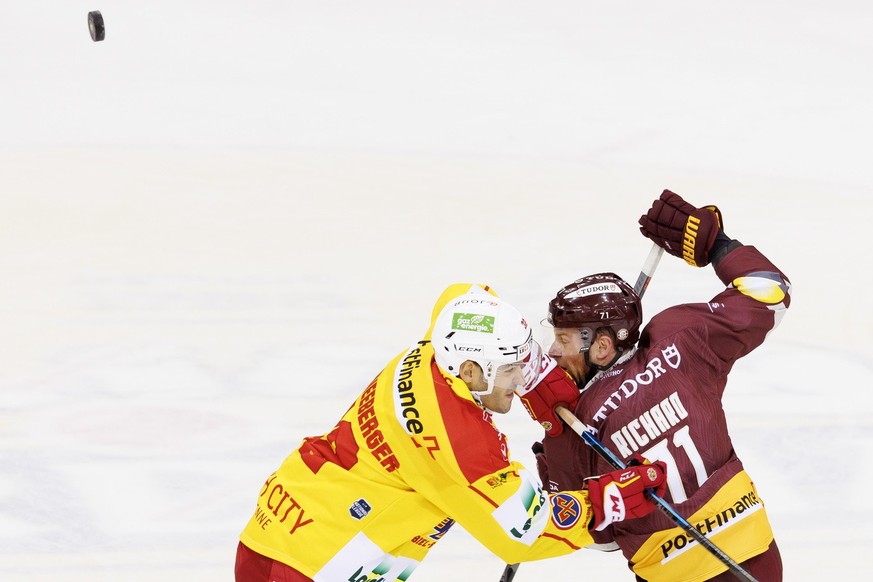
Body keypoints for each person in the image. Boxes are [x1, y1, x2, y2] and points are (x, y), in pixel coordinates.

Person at [235, 283, 667, 581]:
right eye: (512, 371)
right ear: (470, 370)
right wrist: (604, 501)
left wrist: (536, 373)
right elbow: (523, 532)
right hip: (308, 568)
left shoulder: (436, 346)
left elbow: (465, 292)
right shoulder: (460, 443)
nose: (518, 383)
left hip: (293, 531)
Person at [517, 190, 791, 581]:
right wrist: (717, 245)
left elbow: (598, 538)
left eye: (563, 340)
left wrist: (554, 436)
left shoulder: (577, 420)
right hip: (756, 559)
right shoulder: (680, 337)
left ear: (603, 345)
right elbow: (772, 293)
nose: (553, 352)